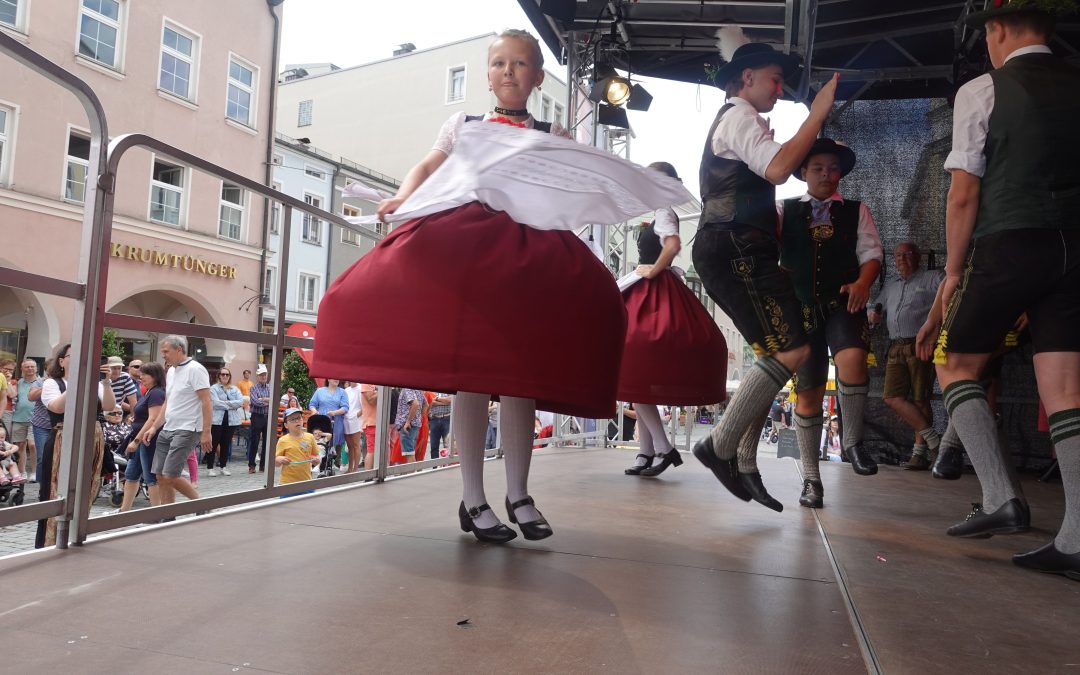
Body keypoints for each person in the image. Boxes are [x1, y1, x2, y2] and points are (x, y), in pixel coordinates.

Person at [311, 29, 673, 544]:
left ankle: (519, 493)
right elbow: (429, 164)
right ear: (487, 73)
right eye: (500, 63)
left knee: (523, 379)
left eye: (520, 64)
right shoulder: (464, 123)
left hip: (530, 262)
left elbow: (568, 187)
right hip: (473, 254)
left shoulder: (554, 132)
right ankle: (474, 497)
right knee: (475, 377)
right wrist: (403, 197)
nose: (509, 71)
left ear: (537, 76)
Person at [920, 1, 1080, 579]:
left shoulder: (983, 89)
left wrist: (954, 272)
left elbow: (963, 193)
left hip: (1008, 243)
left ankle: (999, 498)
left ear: (998, 30)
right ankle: (1078, 535)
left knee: (954, 362)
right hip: (1075, 248)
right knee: (1064, 386)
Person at [690, 37, 839, 513]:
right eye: (775, 79)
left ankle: (745, 462)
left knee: (772, 351)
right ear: (747, 78)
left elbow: (780, 167)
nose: (780, 88)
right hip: (735, 245)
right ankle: (718, 446)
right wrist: (815, 115)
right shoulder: (737, 117)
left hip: (733, 245)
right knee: (793, 347)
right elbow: (777, 169)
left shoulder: (741, 119)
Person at [778, 138, 884, 508]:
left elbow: (872, 254)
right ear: (803, 172)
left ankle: (853, 442)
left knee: (852, 360)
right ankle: (811, 479)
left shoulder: (856, 210)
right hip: (800, 309)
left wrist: (862, 283)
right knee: (807, 393)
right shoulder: (783, 211)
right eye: (818, 168)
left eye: (833, 168)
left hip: (843, 301)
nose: (826, 174)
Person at [619, 162, 728, 478]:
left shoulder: (664, 211)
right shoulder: (656, 212)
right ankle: (647, 451)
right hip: (648, 289)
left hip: (653, 291)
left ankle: (662, 449)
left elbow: (673, 245)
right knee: (636, 377)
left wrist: (653, 270)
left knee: (634, 373)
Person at [867, 242, 944, 469]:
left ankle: (919, 454)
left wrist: (936, 330)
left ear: (918, 256)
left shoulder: (933, 277)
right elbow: (875, 305)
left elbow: (952, 289)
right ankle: (933, 440)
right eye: (898, 255)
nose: (902, 258)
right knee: (892, 397)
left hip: (919, 343)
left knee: (921, 398)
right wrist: (873, 312)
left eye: (907, 254)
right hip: (895, 346)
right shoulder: (891, 286)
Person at [37, 343, 115, 547]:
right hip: (63, 439)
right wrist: (78, 380)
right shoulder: (52, 383)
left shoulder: (95, 383)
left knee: (87, 487)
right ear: (62, 361)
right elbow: (56, 406)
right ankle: (50, 542)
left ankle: (76, 535)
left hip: (91, 439)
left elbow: (108, 407)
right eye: (75, 355)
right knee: (55, 488)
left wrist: (106, 383)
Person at [143, 335, 207, 506]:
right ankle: (168, 515)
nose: (163, 355)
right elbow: (167, 402)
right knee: (160, 475)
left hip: (187, 428)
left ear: (179, 349)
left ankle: (201, 505)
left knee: (171, 475)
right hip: (168, 428)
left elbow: (207, 401)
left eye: (166, 351)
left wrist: (206, 432)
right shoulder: (171, 370)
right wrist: (154, 427)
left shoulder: (196, 369)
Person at [117, 361, 166, 512]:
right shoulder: (150, 391)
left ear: (155, 376)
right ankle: (124, 510)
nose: (141, 376)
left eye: (145, 374)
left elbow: (153, 419)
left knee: (151, 477)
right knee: (131, 474)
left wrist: (136, 441)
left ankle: (156, 513)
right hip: (142, 439)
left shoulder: (157, 392)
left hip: (148, 440)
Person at [207, 367, 243, 476]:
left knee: (226, 444)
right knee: (213, 444)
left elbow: (240, 402)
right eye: (223, 374)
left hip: (231, 421)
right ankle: (210, 467)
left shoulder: (235, 389)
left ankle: (223, 466)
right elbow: (215, 403)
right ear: (219, 376)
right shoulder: (213, 388)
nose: (225, 376)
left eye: (227, 375)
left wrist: (225, 403)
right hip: (217, 421)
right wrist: (232, 404)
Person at [11, 358, 41, 481]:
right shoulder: (19, 383)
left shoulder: (41, 382)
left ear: (36, 368)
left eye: (32, 366)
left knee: (33, 445)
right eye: (27, 367)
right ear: (22, 369)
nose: (30, 369)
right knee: (20, 446)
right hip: (18, 417)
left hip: (35, 418)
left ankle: (34, 472)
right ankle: (22, 472)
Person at [275, 407, 320, 486]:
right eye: (292, 419)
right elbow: (275, 463)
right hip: (287, 484)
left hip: (307, 482)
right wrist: (279, 459)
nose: (297, 421)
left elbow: (317, 457)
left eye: (299, 418)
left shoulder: (310, 437)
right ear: (286, 425)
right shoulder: (283, 440)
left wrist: (316, 460)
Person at [308, 379, 348, 465]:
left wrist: (335, 412)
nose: (337, 380)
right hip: (322, 420)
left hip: (336, 420)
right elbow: (312, 404)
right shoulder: (319, 391)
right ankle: (321, 461)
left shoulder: (342, 392)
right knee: (321, 441)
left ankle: (334, 460)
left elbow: (345, 407)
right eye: (334, 378)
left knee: (333, 442)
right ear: (328, 379)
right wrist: (314, 411)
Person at [247, 365, 272, 473]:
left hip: (267, 416)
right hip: (257, 416)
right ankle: (251, 466)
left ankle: (263, 465)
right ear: (257, 376)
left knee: (267, 442)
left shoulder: (270, 387)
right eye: (261, 375)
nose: (263, 376)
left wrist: (263, 399)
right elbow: (255, 402)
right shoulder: (253, 388)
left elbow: (275, 400)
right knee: (255, 441)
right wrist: (267, 401)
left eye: (265, 374)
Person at [394, 388, 423, 464]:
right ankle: (412, 474)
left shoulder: (407, 389)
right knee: (411, 452)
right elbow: (425, 405)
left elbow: (415, 403)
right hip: (414, 425)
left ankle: (412, 475)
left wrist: (408, 421)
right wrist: (418, 417)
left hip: (408, 426)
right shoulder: (418, 390)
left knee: (409, 454)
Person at [428, 392, 452, 460]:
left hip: (447, 419)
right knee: (433, 447)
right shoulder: (431, 391)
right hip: (434, 419)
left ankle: (447, 465)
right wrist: (443, 402)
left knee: (447, 445)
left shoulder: (449, 389)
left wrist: (437, 399)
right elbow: (431, 402)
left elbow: (450, 400)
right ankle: (435, 468)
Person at [359, 383, 377, 470]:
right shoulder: (366, 384)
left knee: (375, 450)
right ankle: (368, 475)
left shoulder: (373, 385)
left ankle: (372, 473)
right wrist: (381, 391)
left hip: (377, 422)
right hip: (371, 423)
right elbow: (371, 401)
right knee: (371, 450)